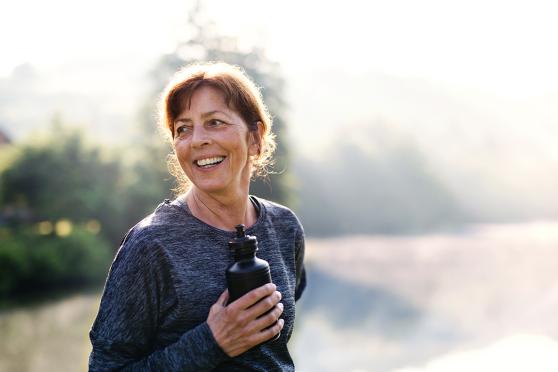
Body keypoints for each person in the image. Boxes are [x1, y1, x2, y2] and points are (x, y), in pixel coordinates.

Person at [88, 62, 307, 371]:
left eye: (215, 122)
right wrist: (211, 342)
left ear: (255, 138)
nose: (197, 139)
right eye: (183, 129)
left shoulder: (284, 227)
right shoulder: (150, 245)